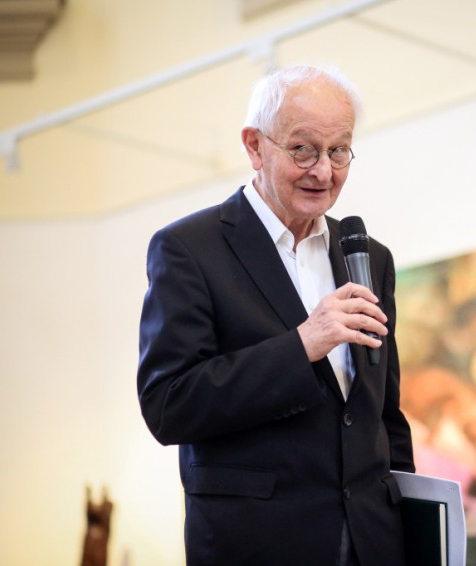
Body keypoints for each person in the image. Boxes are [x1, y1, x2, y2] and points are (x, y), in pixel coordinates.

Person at [136, 64, 415, 566]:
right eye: (303, 149)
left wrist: (413, 530)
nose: (323, 172)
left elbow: (384, 417)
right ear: (254, 146)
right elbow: (168, 405)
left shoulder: (371, 257)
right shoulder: (189, 249)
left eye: (339, 151)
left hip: (373, 543)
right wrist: (302, 345)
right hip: (259, 544)